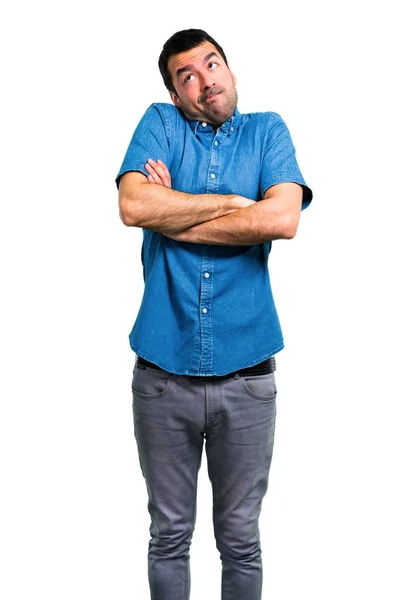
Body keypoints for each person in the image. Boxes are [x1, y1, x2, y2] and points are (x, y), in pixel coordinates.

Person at [116, 28, 312, 600]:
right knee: (169, 536)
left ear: (229, 67)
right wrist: (234, 202)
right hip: (162, 374)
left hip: (248, 378)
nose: (206, 81)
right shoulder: (160, 123)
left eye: (212, 64)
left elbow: (282, 219)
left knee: (241, 540)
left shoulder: (267, 130)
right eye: (188, 76)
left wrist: (172, 210)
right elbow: (133, 205)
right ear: (176, 94)